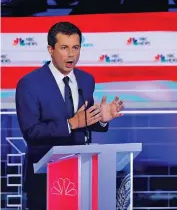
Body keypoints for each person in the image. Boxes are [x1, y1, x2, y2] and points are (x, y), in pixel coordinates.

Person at [15, 22, 125, 210]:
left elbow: (85, 120)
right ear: (51, 49)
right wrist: (70, 124)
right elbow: (31, 133)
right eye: (64, 48)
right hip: (44, 180)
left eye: (76, 47)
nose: (71, 54)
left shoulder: (86, 79)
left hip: (81, 175)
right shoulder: (29, 83)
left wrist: (101, 118)